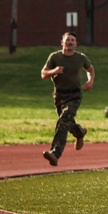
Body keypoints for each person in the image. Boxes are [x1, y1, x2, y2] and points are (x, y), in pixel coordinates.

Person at [41, 31, 95, 166]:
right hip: (59, 95)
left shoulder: (81, 58)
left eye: (72, 40)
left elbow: (90, 69)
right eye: (67, 40)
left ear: (76, 44)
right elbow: (43, 74)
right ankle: (80, 132)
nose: (70, 42)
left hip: (74, 95)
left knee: (63, 120)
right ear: (62, 42)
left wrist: (90, 81)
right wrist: (54, 71)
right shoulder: (55, 57)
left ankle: (55, 154)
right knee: (66, 122)